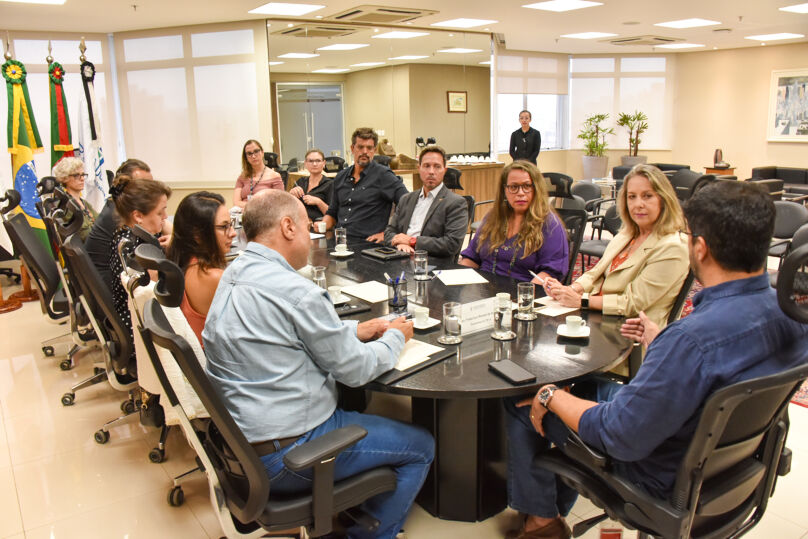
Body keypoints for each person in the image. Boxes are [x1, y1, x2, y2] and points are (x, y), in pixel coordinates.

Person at [504, 181, 808, 539]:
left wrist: (550, 396)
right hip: (731, 469)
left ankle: (541, 523)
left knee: (523, 399)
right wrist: (661, 341)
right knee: (582, 386)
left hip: (657, 476)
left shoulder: (690, 343)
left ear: (700, 248)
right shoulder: (794, 318)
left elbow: (617, 436)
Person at [203, 190, 433, 539]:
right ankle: (368, 535)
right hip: (290, 455)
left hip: (241, 448)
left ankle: (356, 507)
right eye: (307, 226)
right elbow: (355, 371)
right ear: (288, 227)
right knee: (421, 445)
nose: (312, 236)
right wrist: (395, 336)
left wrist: (355, 328)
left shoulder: (232, 274)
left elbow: (280, 332)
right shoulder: (298, 292)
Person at [542, 164, 689, 331]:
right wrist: (568, 290)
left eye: (647, 196)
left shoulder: (674, 247)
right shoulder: (625, 235)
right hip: (600, 319)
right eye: (631, 197)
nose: (638, 204)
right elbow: (595, 274)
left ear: (664, 199)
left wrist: (581, 300)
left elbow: (633, 303)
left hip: (633, 334)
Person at [459, 161, 568, 284]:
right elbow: (472, 257)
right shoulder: (493, 217)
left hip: (522, 294)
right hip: (482, 290)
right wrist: (461, 285)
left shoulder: (550, 224)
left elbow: (550, 273)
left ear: (536, 189)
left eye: (527, 186)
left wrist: (524, 296)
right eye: (514, 187)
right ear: (504, 190)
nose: (520, 193)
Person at [108, 174, 172, 354]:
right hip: (141, 325)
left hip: (130, 316)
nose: (165, 217)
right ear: (138, 216)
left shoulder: (125, 235)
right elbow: (156, 291)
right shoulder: (138, 249)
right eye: (160, 212)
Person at [85, 159, 171, 289]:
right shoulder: (118, 217)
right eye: (143, 184)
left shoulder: (126, 213)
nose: (149, 188)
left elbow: (164, 225)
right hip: (108, 283)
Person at [166, 191, 236, 346]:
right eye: (224, 226)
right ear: (197, 235)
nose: (233, 233)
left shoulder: (181, 261)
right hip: (214, 362)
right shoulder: (213, 277)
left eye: (231, 225)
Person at [323, 127, 408, 242]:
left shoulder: (383, 175)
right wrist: (322, 225)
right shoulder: (341, 177)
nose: (365, 152)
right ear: (352, 148)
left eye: (369, 148)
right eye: (360, 147)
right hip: (339, 241)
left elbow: (407, 204)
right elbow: (332, 213)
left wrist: (387, 234)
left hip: (367, 244)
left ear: (375, 150)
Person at [383, 145, 468, 257]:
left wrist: (412, 242)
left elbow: (451, 244)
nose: (431, 172)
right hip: (400, 255)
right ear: (419, 169)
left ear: (444, 170)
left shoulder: (456, 203)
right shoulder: (406, 199)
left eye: (437, 166)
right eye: (426, 166)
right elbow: (389, 232)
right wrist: (399, 244)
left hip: (431, 262)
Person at [52, 157, 98, 241]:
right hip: (90, 249)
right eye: (76, 175)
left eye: (83, 174)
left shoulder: (83, 202)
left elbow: (100, 221)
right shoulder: (66, 206)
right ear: (65, 178)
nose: (82, 178)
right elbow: (84, 235)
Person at [233, 139, 284, 208]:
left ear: (262, 153)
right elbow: (236, 202)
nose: (253, 156)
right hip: (244, 214)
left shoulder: (275, 176)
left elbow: (279, 202)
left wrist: (252, 207)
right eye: (249, 153)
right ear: (246, 158)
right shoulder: (242, 176)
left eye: (256, 151)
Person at [289, 148, 333, 224]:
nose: (314, 164)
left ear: (324, 163)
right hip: (298, 223)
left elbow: (333, 215)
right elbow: (287, 207)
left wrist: (318, 202)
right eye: (311, 161)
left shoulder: (330, 184)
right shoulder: (301, 181)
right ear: (305, 163)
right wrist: (290, 194)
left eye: (318, 161)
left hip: (318, 225)